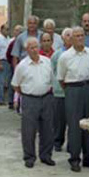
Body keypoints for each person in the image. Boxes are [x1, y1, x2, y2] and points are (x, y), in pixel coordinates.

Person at [57, 26, 89, 172]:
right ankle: (74, 159)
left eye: (82, 35)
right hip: (72, 89)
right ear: (71, 38)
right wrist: (72, 90)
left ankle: (88, 158)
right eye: (77, 36)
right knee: (75, 125)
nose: (80, 38)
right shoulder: (65, 57)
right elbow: (61, 79)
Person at [12, 36, 55, 168]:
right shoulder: (22, 66)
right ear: (27, 50)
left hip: (47, 98)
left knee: (48, 129)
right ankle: (29, 157)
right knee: (28, 130)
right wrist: (26, 93)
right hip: (30, 99)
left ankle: (46, 155)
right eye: (31, 48)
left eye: (36, 46)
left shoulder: (47, 62)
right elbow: (15, 85)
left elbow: (52, 80)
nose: (35, 50)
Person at [51, 28, 72, 152]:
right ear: (63, 38)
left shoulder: (77, 53)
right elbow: (53, 69)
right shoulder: (57, 54)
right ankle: (57, 142)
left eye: (71, 35)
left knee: (72, 120)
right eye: (67, 35)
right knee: (59, 120)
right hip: (59, 92)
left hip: (73, 92)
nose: (70, 37)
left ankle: (72, 144)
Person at [0, 24, 11, 106]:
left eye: (8, 29)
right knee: (2, 81)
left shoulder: (8, 39)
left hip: (8, 61)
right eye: (6, 29)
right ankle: (0, 99)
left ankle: (6, 99)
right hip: (2, 61)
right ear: (2, 30)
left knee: (7, 81)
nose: (7, 31)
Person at [6, 24, 23, 110]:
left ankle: (19, 102)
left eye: (18, 31)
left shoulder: (23, 41)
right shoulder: (12, 42)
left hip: (22, 65)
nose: (16, 32)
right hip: (13, 65)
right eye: (15, 30)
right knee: (12, 83)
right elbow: (8, 54)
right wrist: (12, 63)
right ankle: (11, 101)